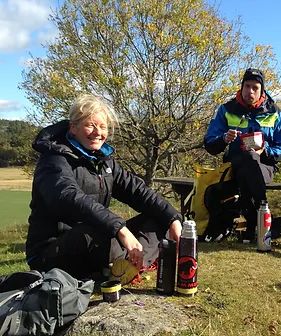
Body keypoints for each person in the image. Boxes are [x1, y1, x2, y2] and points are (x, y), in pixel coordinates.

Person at [26, 94, 182, 281]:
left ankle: (129, 266)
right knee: (97, 229)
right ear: (73, 127)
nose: (97, 132)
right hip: (51, 250)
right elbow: (67, 197)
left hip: (93, 239)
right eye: (90, 125)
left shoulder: (103, 161)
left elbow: (137, 192)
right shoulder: (53, 159)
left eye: (102, 126)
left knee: (159, 217)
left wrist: (173, 218)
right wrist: (120, 229)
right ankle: (124, 266)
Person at [204, 68, 281, 241]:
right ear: (242, 86)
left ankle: (254, 226)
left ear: (262, 90)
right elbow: (210, 144)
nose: (250, 91)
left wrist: (266, 151)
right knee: (245, 163)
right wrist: (224, 139)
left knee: (251, 162)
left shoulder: (274, 112)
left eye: (255, 87)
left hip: (265, 166)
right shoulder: (227, 110)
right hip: (233, 168)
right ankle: (262, 225)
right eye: (247, 86)